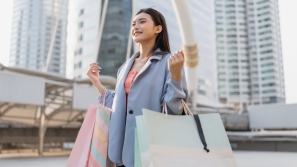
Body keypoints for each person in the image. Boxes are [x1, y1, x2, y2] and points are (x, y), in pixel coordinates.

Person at [87, 7, 188, 167]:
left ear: (158, 28)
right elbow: (118, 104)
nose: (135, 27)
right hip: (120, 151)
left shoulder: (169, 62)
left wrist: (175, 76)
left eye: (142, 22)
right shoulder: (125, 66)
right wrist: (97, 83)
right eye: (133, 23)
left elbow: (173, 110)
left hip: (150, 150)